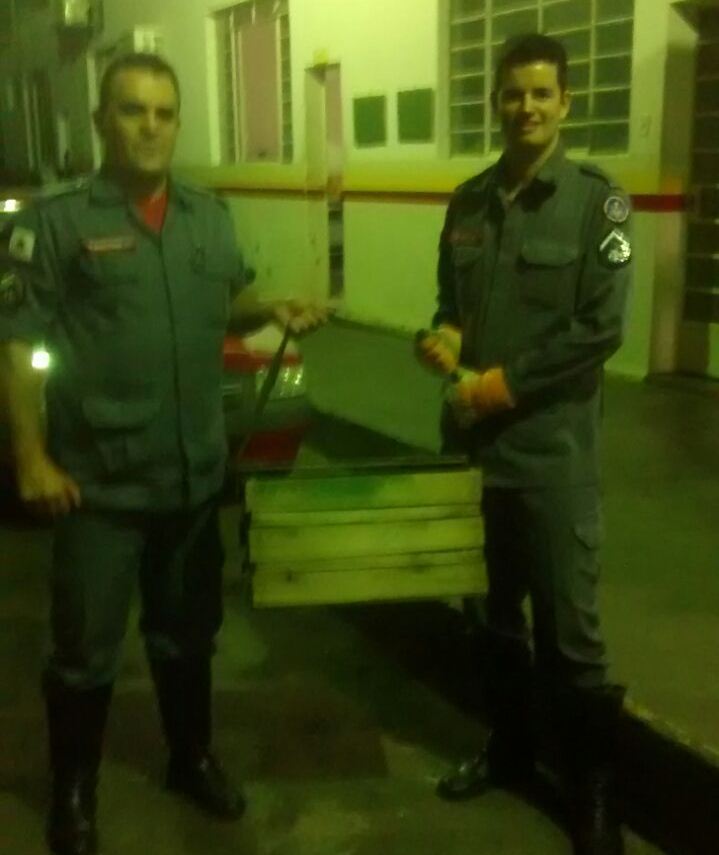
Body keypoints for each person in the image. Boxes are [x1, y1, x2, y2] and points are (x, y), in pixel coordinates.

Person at [0, 52, 327, 855]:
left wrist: (267, 307)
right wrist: (31, 460)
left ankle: (190, 758)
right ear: (100, 121)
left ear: (177, 122)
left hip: (192, 478)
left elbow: (222, 301)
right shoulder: (56, 221)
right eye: (132, 110)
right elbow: (16, 345)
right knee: (84, 653)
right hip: (99, 487)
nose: (150, 127)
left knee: (188, 636)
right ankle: (74, 791)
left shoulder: (207, 216)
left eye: (163, 112)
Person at [416, 34, 632, 855]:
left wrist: (498, 386)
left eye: (541, 93)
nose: (526, 107)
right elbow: (451, 304)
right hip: (476, 456)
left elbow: (600, 328)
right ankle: (507, 750)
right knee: (494, 620)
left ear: (564, 103)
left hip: (553, 460)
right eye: (512, 93)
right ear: (495, 103)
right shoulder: (467, 203)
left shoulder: (598, 205)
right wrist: (443, 338)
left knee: (571, 637)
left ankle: (592, 792)